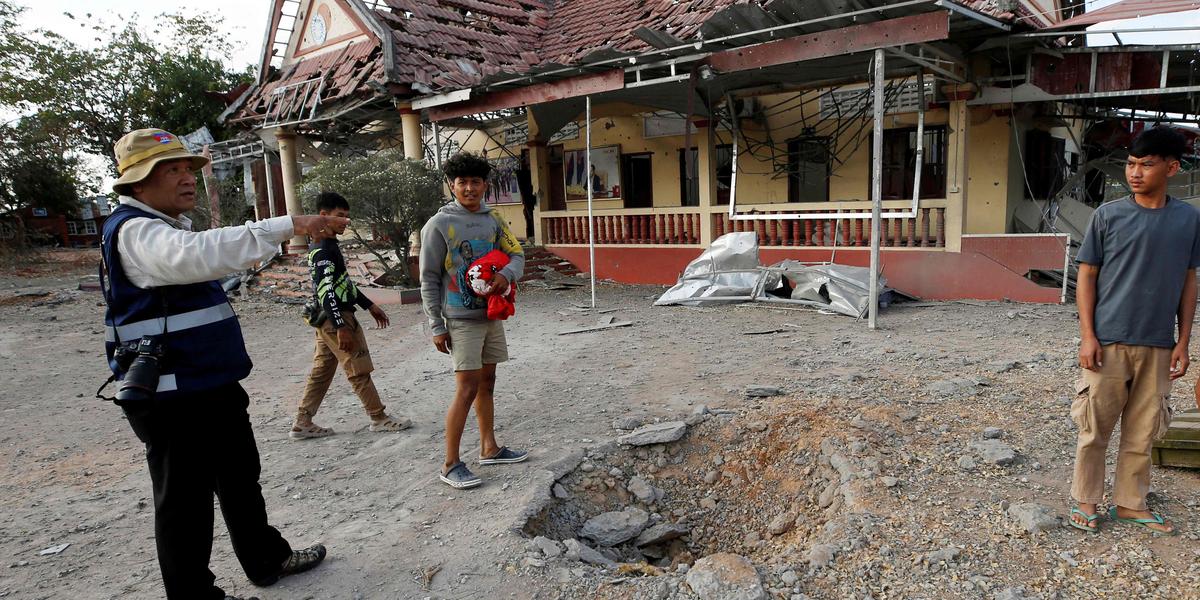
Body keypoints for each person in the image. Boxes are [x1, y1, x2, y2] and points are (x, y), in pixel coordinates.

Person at [101, 128, 338, 599]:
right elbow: (200, 256)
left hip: (209, 385)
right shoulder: (136, 232)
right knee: (185, 504)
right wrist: (288, 224)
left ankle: (266, 558)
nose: (187, 178)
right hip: (170, 396)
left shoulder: (163, 227)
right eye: (170, 170)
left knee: (239, 480)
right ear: (135, 183)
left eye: (188, 168)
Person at [1070, 126, 1199, 535]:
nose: (1135, 172)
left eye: (1146, 164)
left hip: (1159, 344)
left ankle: (1130, 503)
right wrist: (1088, 335)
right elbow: (1087, 276)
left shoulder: (1188, 219)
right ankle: (1086, 501)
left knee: (1144, 431)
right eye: (1131, 164)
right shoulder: (1108, 215)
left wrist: (1183, 340)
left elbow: (1189, 280)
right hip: (1108, 341)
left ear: (1172, 167)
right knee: (1094, 428)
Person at [419, 152, 528, 489]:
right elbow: (429, 278)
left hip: (491, 313)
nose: (469, 188)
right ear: (451, 185)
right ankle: (450, 464)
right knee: (466, 388)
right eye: (462, 182)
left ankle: (489, 447)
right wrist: (436, 326)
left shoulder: (494, 220)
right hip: (460, 319)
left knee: (488, 382)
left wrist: (507, 276)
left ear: (485, 185)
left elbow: (517, 254)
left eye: (475, 182)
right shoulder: (438, 224)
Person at [291, 192, 412, 439]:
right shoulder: (324, 249)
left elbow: (342, 283)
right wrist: (341, 327)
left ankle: (303, 421)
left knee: (322, 370)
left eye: (347, 217)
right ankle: (378, 417)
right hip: (336, 318)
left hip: (329, 317)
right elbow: (327, 291)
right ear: (323, 216)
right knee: (358, 367)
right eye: (340, 216)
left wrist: (369, 305)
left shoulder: (326, 246)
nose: (345, 221)